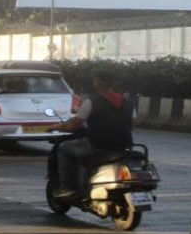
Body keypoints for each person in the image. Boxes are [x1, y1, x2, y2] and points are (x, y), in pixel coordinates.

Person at [52, 69, 134, 200]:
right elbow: (131, 125)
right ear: (114, 84)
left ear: (97, 83)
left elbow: (74, 126)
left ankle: (67, 187)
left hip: (98, 145)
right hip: (124, 146)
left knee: (63, 148)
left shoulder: (91, 102)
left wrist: (58, 127)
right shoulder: (129, 104)